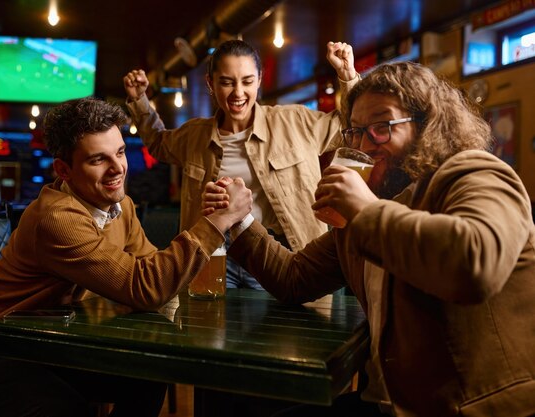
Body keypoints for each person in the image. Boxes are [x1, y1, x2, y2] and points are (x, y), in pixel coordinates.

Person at [204, 61, 535, 416]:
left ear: (427, 127)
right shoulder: (368, 213)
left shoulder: (475, 174)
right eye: (356, 132)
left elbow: (475, 266)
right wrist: (239, 221)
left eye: (381, 127)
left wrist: (363, 211)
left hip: (476, 406)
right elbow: (294, 278)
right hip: (391, 402)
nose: (364, 145)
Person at [0, 97, 252, 417]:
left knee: (148, 375)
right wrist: (218, 222)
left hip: (48, 345)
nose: (118, 167)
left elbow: (148, 267)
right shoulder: (58, 218)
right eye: (97, 160)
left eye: (119, 152)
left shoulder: (121, 206)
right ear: (64, 170)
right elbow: (146, 287)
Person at [123, 39, 359, 290]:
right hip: (216, 257)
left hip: (282, 257)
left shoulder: (295, 121)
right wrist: (140, 101)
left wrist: (348, 76)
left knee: (286, 329)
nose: (238, 93)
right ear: (210, 84)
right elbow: (159, 143)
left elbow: (349, 125)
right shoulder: (195, 135)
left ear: (259, 80)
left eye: (247, 81)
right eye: (226, 82)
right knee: (208, 325)